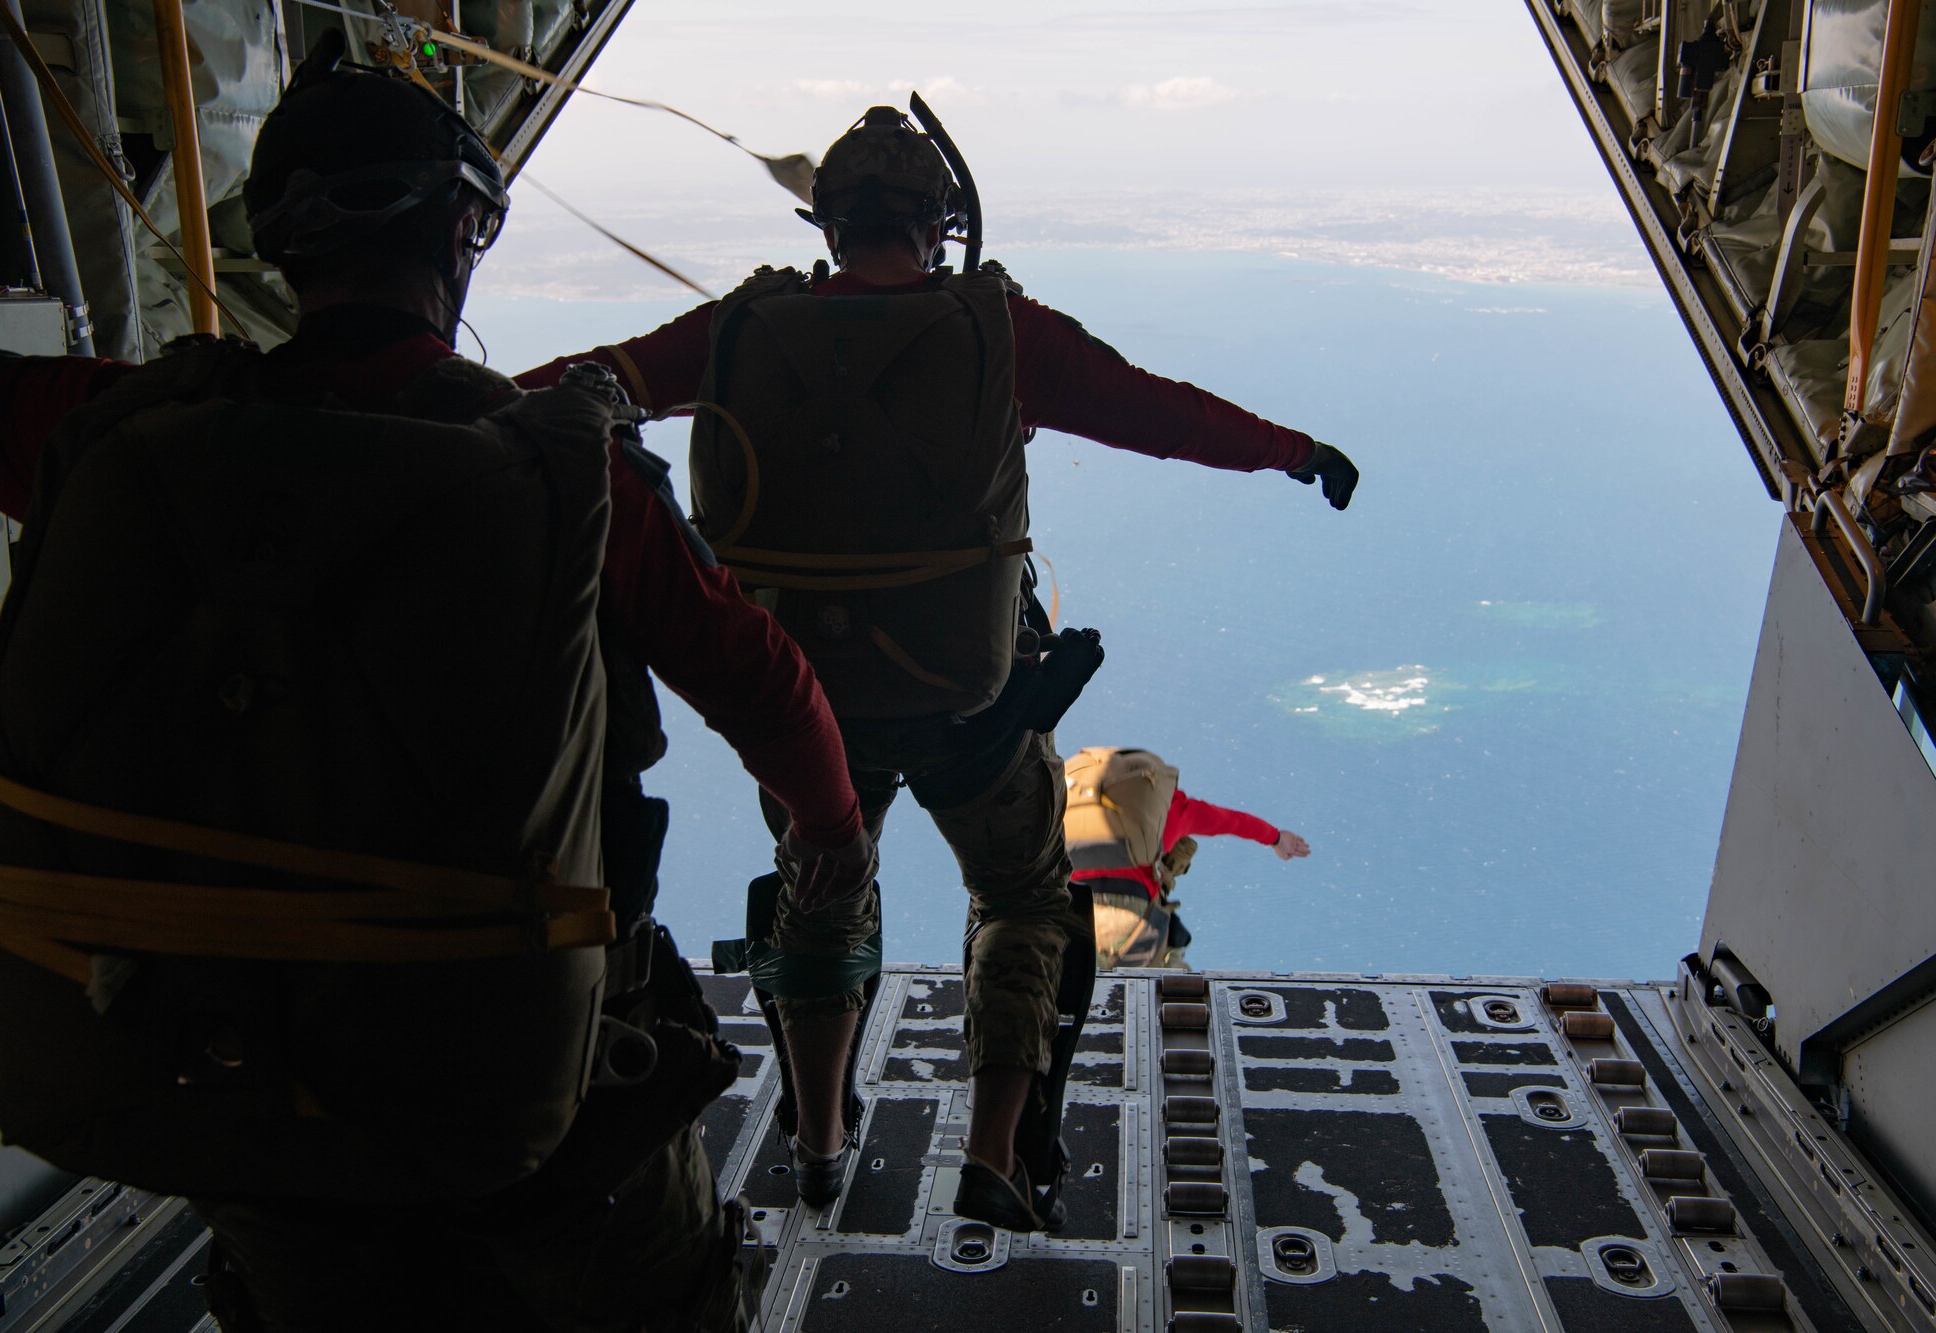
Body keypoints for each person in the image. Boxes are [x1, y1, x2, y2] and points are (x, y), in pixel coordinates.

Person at [0, 32, 872, 1332]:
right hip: (540, 1094)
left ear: (281, 239)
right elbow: (769, 687)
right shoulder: (563, 480)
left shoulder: (111, 437)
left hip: (232, 1082)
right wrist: (833, 846)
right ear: (469, 226)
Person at [518, 103, 1357, 1232]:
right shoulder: (1000, 331)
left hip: (798, 705)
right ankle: (996, 1149)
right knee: (1019, 898)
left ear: (830, 223)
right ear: (938, 223)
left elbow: (569, 392)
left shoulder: (735, 329)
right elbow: (1153, 411)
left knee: (819, 898)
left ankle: (817, 1141)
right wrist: (1291, 450)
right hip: (970, 703)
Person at [1065, 749, 1312, 970]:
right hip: (1134, 923)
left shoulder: (1063, 803)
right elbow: (1230, 821)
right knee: (1161, 993)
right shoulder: (1172, 808)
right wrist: (1277, 838)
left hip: (1065, 914)